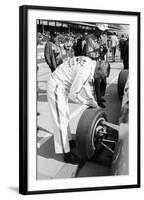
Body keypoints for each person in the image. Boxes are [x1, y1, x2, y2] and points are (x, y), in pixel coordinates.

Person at [47, 56, 110, 164]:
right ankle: (66, 154)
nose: (99, 79)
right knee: (60, 121)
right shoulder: (85, 70)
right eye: (100, 76)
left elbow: (84, 83)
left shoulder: (89, 63)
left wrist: (91, 99)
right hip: (57, 86)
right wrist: (86, 102)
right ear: (98, 70)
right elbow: (73, 95)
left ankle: (68, 141)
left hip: (62, 86)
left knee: (65, 115)